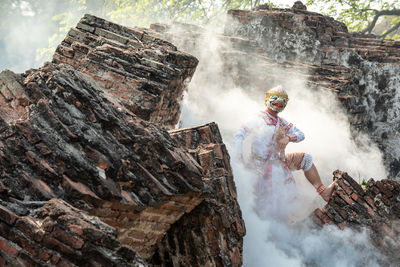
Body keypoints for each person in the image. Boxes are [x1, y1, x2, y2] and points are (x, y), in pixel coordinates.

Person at [233, 85, 336, 219]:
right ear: (267, 99)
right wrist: (239, 162)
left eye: (283, 100)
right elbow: (238, 136)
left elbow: (301, 134)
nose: (279, 103)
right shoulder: (257, 118)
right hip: (259, 167)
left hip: (278, 163)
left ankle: (324, 192)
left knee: (306, 159)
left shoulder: (281, 122)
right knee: (269, 203)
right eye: (275, 98)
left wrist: (288, 137)